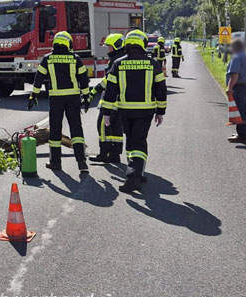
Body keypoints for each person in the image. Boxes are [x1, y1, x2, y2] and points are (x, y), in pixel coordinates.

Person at [101, 30, 167, 192]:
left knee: (131, 141)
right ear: (143, 44)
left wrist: (107, 112)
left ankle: (134, 175)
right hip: (146, 111)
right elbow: (161, 89)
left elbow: (110, 91)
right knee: (139, 140)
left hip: (126, 110)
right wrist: (161, 111)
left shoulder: (118, 64)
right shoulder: (153, 64)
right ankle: (137, 173)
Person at [28, 31, 90, 173]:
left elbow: (38, 79)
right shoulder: (75, 58)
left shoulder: (47, 59)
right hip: (73, 98)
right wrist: (86, 97)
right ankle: (82, 162)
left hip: (56, 99)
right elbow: (84, 80)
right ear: (68, 43)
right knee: (76, 129)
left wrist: (33, 96)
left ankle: (55, 162)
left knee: (55, 131)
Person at [90, 33, 125, 163]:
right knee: (116, 128)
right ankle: (115, 155)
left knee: (103, 126)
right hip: (121, 101)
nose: (108, 49)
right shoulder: (123, 58)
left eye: (109, 47)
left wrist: (94, 91)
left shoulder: (115, 61)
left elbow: (109, 81)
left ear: (116, 46)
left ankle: (104, 154)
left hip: (111, 101)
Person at [226, 38, 246, 143]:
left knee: (240, 112)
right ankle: (244, 133)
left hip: (241, 87)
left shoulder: (236, 57)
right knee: (245, 111)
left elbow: (235, 74)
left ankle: (242, 135)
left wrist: (229, 88)